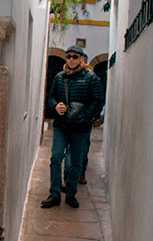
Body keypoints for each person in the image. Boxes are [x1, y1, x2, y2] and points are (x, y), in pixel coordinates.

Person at [41, 45, 105, 208]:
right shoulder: (59, 77)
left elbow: (98, 101)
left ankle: (70, 194)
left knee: (75, 162)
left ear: (82, 59)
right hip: (61, 125)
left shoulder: (91, 78)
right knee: (56, 158)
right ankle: (54, 194)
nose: (71, 59)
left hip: (80, 128)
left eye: (75, 56)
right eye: (68, 56)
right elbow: (51, 96)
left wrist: (86, 118)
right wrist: (55, 106)